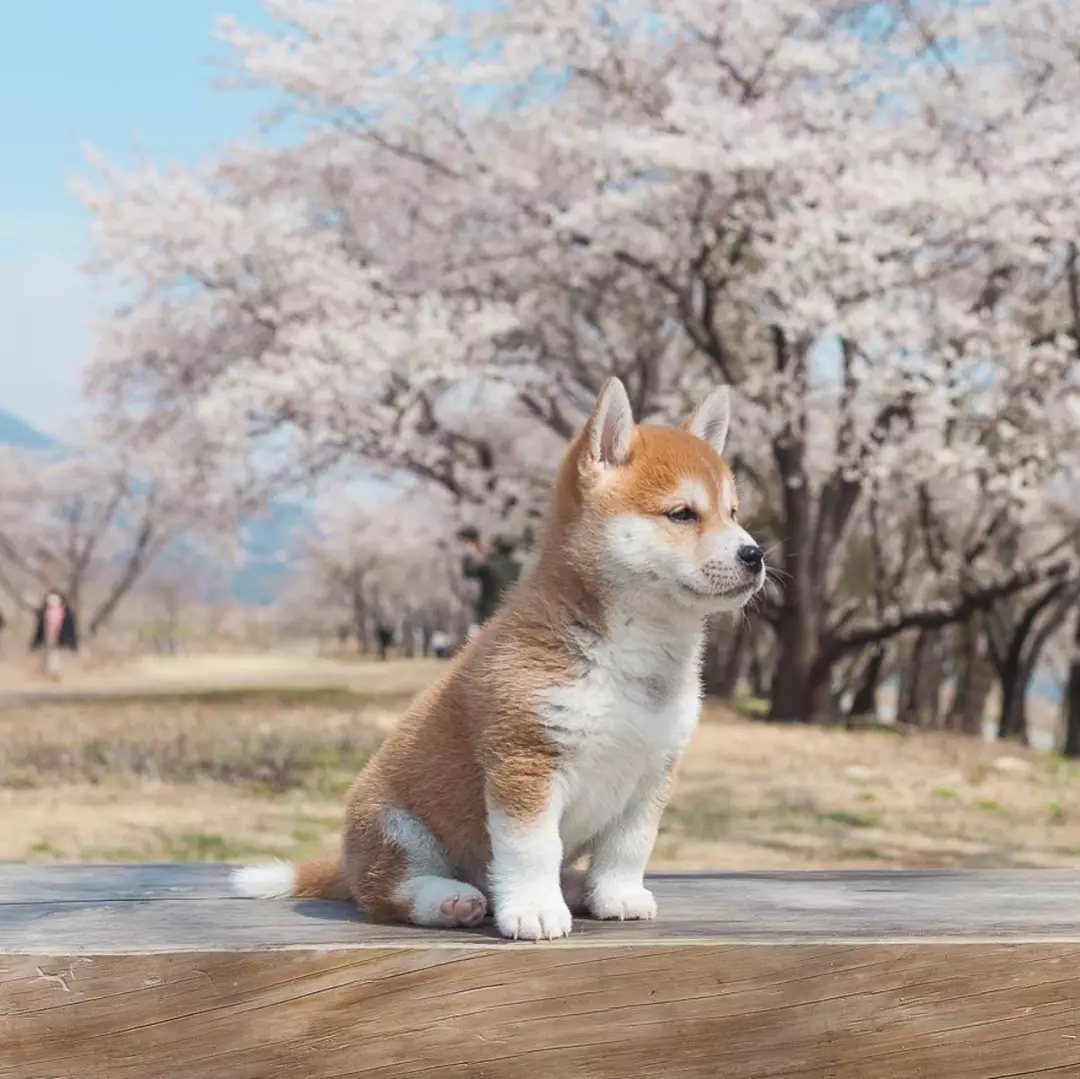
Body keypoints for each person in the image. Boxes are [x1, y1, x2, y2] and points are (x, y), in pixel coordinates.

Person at [459, 527, 522, 638]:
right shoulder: (516, 567)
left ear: (497, 547)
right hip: (510, 617)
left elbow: (468, 571)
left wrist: (470, 552)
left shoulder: (490, 565)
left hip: (487, 617)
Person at [30, 591, 78, 680]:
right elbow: (39, 629)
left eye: (55, 599)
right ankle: (48, 674)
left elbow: (70, 629)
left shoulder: (66, 613)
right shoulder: (43, 613)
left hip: (61, 639)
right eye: (51, 599)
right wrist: (35, 643)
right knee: (48, 657)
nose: (52, 602)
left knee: (57, 657)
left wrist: (72, 642)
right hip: (47, 638)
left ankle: (57, 675)